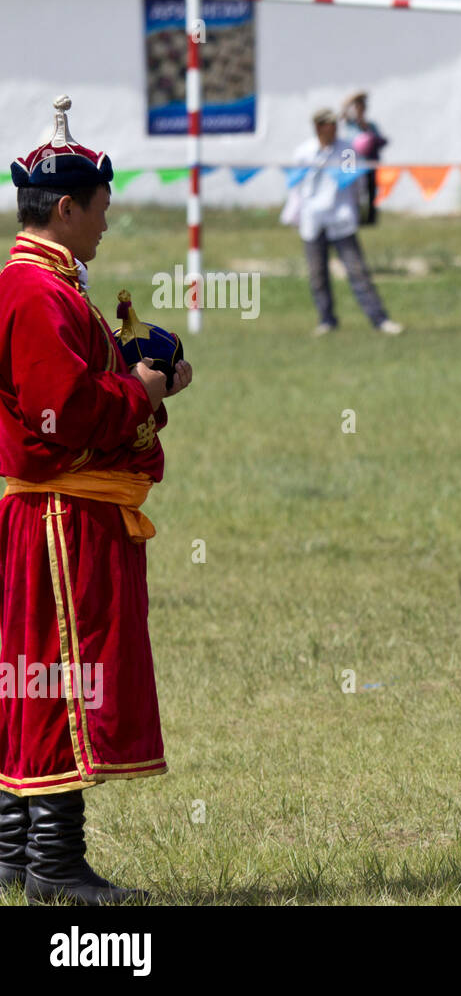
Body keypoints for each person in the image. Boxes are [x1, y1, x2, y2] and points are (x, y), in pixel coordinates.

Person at [0, 96, 195, 904]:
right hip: (57, 518)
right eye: (103, 208)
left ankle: (13, 851)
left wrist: (145, 370)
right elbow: (65, 411)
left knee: (33, 677)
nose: (108, 222)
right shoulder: (34, 294)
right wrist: (139, 392)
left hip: (60, 512)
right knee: (56, 678)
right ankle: (51, 860)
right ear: (67, 207)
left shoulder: (53, 285)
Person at [281, 108, 403, 337]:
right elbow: (296, 187)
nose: (334, 129)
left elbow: (354, 184)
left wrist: (358, 207)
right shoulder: (304, 153)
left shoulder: (346, 151)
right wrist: (293, 214)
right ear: (318, 127)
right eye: (328, 125)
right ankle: (326, 319)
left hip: (341, 218)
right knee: (317, 275)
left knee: (357, 272)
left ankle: (379, 319)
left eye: (335, 124)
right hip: (313, 220)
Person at [339, 91, 388, 226]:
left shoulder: (370, 126)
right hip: (352, 162)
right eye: (357, 107)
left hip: (369, 163)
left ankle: (371, 219)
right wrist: (351, 100)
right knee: (353, 192)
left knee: (371, 192)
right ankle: (354, 217)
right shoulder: (349, 124)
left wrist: (366, 128)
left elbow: (381, 140)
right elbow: (342, 113)